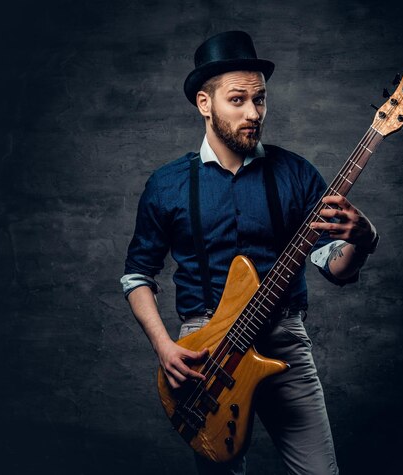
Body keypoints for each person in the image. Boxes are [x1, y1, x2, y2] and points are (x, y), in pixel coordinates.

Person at [121, 30, 378, 475]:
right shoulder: (167, 184)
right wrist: (164, 347)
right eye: (237, 100)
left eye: (259, 100)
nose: (253, 113)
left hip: (283, 339)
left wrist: (364, 240)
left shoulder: (296, 173)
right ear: (205, 104)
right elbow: (137, 276)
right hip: (204, 352)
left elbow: (333, 265)